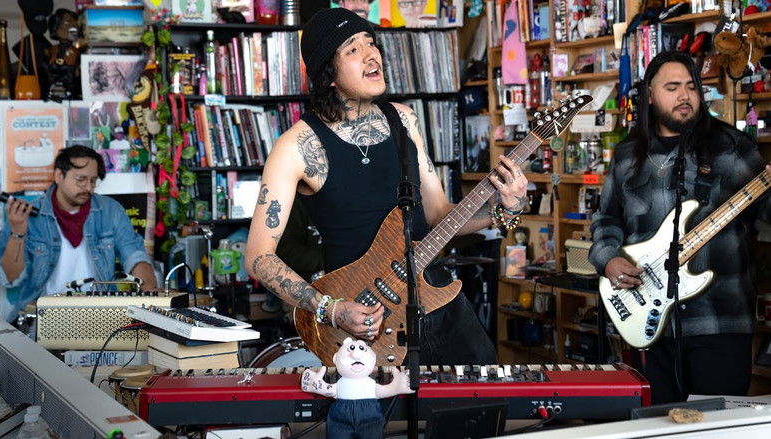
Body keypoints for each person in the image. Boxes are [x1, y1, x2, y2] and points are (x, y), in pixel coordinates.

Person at [245, 8, 528, 365]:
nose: (371, 54)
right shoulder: (297, 147)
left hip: (438, 301)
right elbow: (258, 257)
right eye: (352, 49)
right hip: (363, 322)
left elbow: (439, 215)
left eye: (371, 43)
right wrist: (331, 309)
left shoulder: (404, 120)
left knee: (487, 395)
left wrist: (505, 209)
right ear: (327, 73)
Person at [588, 51, 771, 404]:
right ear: (650, 95)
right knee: (656, 423)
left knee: (716, 425)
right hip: (647, 324)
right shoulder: (627, 155)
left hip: (718, 321)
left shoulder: (731, 148)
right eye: (672, 88)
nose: (684, 96)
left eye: (691, 87)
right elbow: (606, 220)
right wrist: (608, 259)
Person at [0, 145, 156, 320]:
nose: (88, 188)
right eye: (80, 179)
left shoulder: (110, 210)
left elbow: (134, 255)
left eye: (93, 181)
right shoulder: (29, 215)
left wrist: (151, 295)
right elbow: (8, 279)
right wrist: (17, 232)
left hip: (100, 316)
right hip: (41, 319)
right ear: (58, 176)